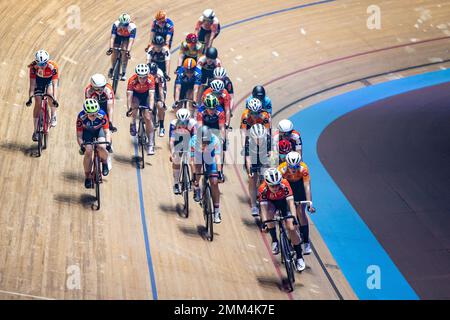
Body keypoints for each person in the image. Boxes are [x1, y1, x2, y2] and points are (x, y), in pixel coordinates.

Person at [258, 168, 306, 272]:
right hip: (271, 204)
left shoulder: (284, 184)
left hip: (284, 203)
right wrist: (264, 223)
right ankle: (275, 240)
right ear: (266, 184)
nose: (275, 187)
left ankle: (299, 257)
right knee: (269, 214)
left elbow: (291, 203)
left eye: (277, 185)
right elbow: (263, 208)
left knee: (291, 227)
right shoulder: (262, 189)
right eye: (272, 185)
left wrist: (294, 218)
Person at [278, 152, 316, 254]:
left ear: (299, 164)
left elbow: (307, 186)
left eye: (296, 166)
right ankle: (287, 239)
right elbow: (278, 188)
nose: (294, 169)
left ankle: (306, 242)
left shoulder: (304, 168)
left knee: (301, 212)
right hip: (286, 186)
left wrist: (309, 203)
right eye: (291, 166)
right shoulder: (281, 170)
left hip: (299, 187)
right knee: (286, 213)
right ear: (286, 164)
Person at [190, 126, 223, 223]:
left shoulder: (215, 140)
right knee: (197, 167)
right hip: (198, 156)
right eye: (203, 142)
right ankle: (197, 188)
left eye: (207, 142)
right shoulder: (193, 141)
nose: (205, 144)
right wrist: (194, 175)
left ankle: (217, 211)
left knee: (214, 182)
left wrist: (219, 172)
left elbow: (217, 158)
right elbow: (191, 161)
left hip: (211, 158)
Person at [77, 99, 112, 189]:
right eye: (91, 114)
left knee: (101, 146)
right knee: (88, 151)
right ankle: (87, 177)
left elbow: (107, 132)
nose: (93, 116)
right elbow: (79, 136)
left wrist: (107, 143)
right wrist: (82, 146)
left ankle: (104, 162)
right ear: (85, 112)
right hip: (87, 132)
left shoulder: (102, 115)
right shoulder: (81, 117)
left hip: (99, 131)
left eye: (95, 113)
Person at [26, 50, 59, 141]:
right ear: (36, 62)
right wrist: (30, 98)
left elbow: (55, 85)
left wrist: (54, 99)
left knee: (50, 95)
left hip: (49, 82)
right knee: (38, 101)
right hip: (38, 82)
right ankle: (35, 130)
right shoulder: (33, 68)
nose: (42, 66)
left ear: (47, 61)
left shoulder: (53, 67)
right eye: (39, 64)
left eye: (44, 64)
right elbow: (32, 85)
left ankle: (53, 115)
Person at [126, 64, 156, 155]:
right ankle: (133, 122)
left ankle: (151, 144)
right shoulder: (132, 80)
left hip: (146, 96)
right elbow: (129, 97)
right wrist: (129, 109)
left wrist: (150, 108)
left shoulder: (151, 79)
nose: (142, 80)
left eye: (144, 77)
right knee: (134, 104)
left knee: (147, 117)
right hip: (136, 95)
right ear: (137, 76)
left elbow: (151, 96)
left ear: (147, 75)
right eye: (140, 78)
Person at [244, 124, 272, 217]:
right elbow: (247, 158)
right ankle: (253, 205)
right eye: (257, 138)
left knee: (267, 178)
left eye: (261, 138)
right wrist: (250, 171)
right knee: (252, 178)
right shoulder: (248, 140)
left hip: (264, 157)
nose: (259, 140)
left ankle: (268, 199)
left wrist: (270, 165)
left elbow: (272, 154)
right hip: (253, 158)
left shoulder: (268, 138)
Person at [169, 109, 197, 195]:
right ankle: (176, 183)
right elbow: (172, 141)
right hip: (178, 141)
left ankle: (194, 181)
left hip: (190, 141)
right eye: (181, 122)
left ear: (189, 119)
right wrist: (172, 153)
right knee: (176, 160)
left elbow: (195, 139)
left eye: (185, 122)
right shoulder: (173, 124)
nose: (183, 124)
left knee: (193, 160)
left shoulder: (193, 123)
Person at [106, 13, 137, 81]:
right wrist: (111, 48)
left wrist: (128, 51)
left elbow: (131, 41)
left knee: (125, 51)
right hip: (118, 37)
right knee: (114, 51)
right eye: (122, 24)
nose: (123, 26)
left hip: (127, 38)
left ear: (129, 23)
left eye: (125, 25)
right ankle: (112, 68)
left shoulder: (132, 27)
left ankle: (123, 72)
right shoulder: (116, 25)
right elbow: (112, 38)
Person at [148, 62, 167, 137]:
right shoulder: (145, 75)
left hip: (158, 87)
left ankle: (162, 126)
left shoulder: (159, 76)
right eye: (150, 74)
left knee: (160, 105)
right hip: (148, 86)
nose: (152, 76)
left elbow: (161, 91)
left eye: (154, 74)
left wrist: (163, 102)